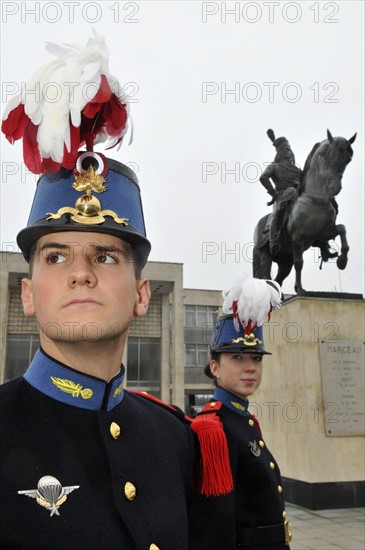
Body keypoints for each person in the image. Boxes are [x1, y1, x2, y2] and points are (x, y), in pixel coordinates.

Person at [0, 34, 194, 550]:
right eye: (56, 256)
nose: (80, 273)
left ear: (141, 294)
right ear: (27, 293)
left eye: (105, 256)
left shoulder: (181, 441)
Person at [189, 276, 292, 550]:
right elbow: (213, 525)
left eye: (256, 358)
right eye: (237, 357)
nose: (250, 367)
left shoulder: (245, 421)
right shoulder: (212, 428)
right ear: (215, 368)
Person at [259, 129, 302, 256]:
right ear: (279, 152)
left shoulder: (297, 169)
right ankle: (273, 242)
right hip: (281, 195)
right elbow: (263, 178)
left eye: (288, 150)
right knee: (277, 213)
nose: (287, 152)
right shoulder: (273, 166)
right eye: (284, 150)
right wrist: (273, 193)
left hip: (297, 196)